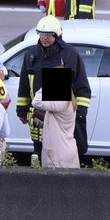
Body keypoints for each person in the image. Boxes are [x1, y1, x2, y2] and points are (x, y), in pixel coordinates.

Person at [15, 16, 92, 166]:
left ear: (56, 35)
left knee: (62, 150)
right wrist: (21, 111)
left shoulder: (70, 54)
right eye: (41, 34)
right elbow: (24, 85)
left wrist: (80, 113)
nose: (44, 38)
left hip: (60, 116)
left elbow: (82, 86)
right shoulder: (31, 55)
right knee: (40, 148)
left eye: (48, 34)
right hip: (38, 114)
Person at [31, 84, 79, 169]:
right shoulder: (69, 101)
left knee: (55, 181)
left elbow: (36, 102)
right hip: (66, 147)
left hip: (58, 152)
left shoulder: (61, 101)